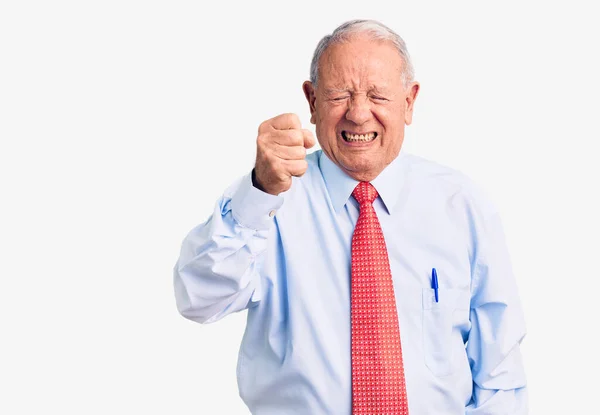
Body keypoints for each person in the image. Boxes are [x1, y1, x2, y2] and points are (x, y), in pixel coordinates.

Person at [173, 19, 527, 415]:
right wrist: (259, 192)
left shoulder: (461, 205)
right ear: (311, 101)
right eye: (339, 95)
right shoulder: (269, 201)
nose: (358, 115)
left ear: (409, 102)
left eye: (378, 96)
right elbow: (198, 299)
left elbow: (499, 371)